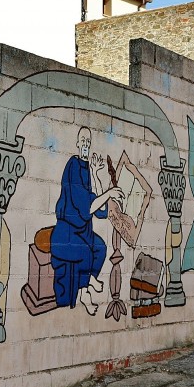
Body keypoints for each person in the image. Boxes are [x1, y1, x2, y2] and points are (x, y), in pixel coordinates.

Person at [50, 128, 123, 315]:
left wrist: (96, 174)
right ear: (76, 143)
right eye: (83, 140)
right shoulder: (73, 165)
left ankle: (85, 290)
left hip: (83, 231)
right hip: (67, 231)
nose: (85, 144)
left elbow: (99, 210)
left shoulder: (87, 169)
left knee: (99, 247)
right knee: (84, 252)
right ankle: (86, 289)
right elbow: (86, 206)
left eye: (88, 142)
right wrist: (109, 194)